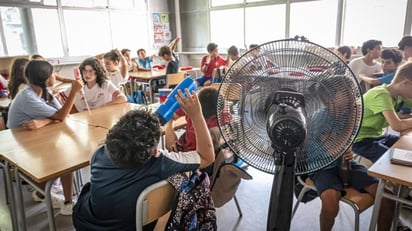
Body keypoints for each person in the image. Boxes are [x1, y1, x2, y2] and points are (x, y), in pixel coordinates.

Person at [72, 89, 215, 230]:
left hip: (86, 223)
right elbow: (207, 157)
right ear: (155, 152)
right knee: (187, 177)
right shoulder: (161, 162)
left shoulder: (99, 153)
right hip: (134, 226)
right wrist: (196, 115)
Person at [308, 78, 394, 231]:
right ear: (329, 99)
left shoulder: (348, 113)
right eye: (346, 93)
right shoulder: (319, 118)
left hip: (345, 164)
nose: (352, 96)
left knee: (386, 196)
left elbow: (346, 145)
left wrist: (347, 149)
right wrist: (345, 145)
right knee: (330, 201)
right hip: (322, 167)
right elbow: (334, 149)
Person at [7, 60, 83, 215]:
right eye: (53, 73)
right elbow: (61, 116)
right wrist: (73, 92)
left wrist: (43, 121)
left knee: (64, 153)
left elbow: (60, 114)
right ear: (47, 78)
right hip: (17, 143)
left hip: (35, 136)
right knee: (65, 159)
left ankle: (43, 193)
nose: (56, 75)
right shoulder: (28, 97)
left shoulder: (43, 90)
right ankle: (66, 203)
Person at [352, 61, 412, 163]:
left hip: (378, 135)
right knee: (393, 161)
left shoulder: (399, 94)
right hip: (361, 140)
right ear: (405, 83)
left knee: (406, 147)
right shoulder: (381, 94)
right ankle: (386, 178)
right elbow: (397, 126)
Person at [164, 86, 231, 153]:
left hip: (200, 155)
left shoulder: (222, 120)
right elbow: (170, 116)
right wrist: (169, 131)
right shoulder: (192, 105)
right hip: (185, 148)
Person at [60, 57, 127, 113]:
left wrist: (104, 106)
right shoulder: (79, 86)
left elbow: (122, 98)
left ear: (98, 72)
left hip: (103, 117)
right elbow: (60, 98)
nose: (87, 74)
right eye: (84, 71)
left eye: (91, 71)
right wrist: (75, 112)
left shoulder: (105, 84)